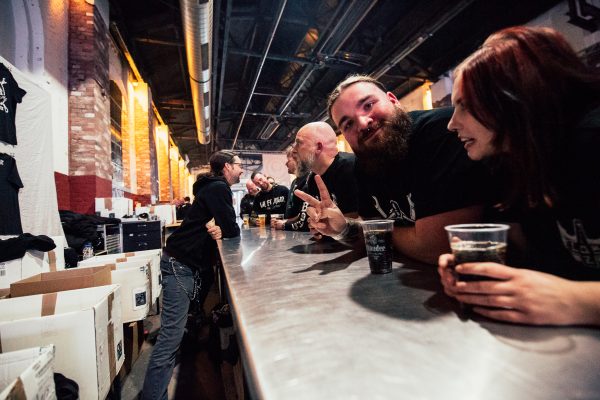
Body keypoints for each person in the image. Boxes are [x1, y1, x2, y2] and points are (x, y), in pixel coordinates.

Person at [437, 26, 600, 326]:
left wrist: (577, 300)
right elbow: (542, 257)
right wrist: (479, 268)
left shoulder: (592, 139)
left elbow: (567, 290)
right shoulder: (514, 162)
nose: (451, 124)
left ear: (513, 98)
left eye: (465, 106)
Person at [296, 75, 490, 264]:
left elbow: (437, 247)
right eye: (348, 124)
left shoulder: (438, 131)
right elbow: (367, 236)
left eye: (368, 105)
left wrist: (375, 231)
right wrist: (343, 228)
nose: (363, 123)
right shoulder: (363, 166)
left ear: (393, 100)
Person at [142, 150, 242, 399]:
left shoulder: (209, 187)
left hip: (183, 263)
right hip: (180, 265)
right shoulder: (219, 187)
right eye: (239, 165)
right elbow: (231, 228)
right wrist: (223, 228)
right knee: (170, 337)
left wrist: (220, 228)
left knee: (177, 332)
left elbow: (223, 227)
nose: (241, 170)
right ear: (228, 167)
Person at [274, 122, 359, 232]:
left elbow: (370, 221)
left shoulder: (352, 166)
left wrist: (335, 229)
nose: (294, 151)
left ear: (318, 147)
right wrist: (318, 226)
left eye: (298, 144)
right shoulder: (312, 179)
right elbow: (320, 223)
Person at [271, 146, 310, 230]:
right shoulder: (294, 181)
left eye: (288, 160)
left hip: (303, 233)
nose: (286, 164)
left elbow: (303, 214)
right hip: (292, 231)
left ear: (297, 160)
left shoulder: (308, 179)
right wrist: (285, 221)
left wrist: (285, 223)